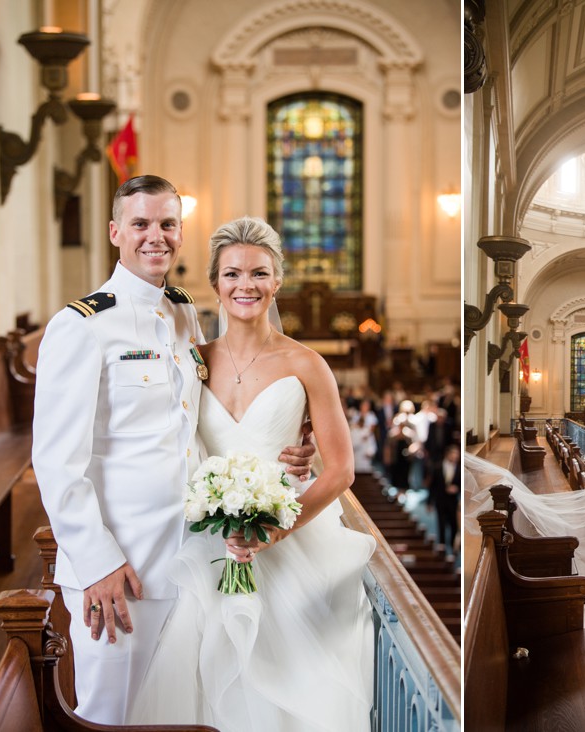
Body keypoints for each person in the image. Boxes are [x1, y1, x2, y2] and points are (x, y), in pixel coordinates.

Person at [32, 176, 313, 725]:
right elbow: (56, 463)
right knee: (113, 714)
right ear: (116, 232)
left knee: (176, 713)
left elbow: (199, 419)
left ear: (180, 233)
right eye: (140, 224)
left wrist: (289, 444)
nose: (154, 236)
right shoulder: (81, 326)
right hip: (120, 568)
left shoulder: (184, 312)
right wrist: (96, 564)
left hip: (189, 557)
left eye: (167, 224)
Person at [127, 216, 375, 731]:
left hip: (292, 546)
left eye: (259, 274)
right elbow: (168, 445)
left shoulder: (307, 365)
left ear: (276, 282)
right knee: (208, 679)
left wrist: (275, 530)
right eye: (233, 274)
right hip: (210, 545)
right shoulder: (191, 361)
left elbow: (342, 471)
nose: (246, 286)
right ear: (215, 284)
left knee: (287, 688)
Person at [427, 443, 462, 556]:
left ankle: (453, 547)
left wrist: (456, 489)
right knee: (441, 524)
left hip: (453, 501)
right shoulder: (437, 467)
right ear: (447, 454)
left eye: (457, 454)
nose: (456, 456)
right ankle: (442, 547)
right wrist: (429, 502)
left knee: (453, 524)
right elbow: (432, 486)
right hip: (440, 499)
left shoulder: (459, 468)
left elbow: (463, 485)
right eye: (454, 454)